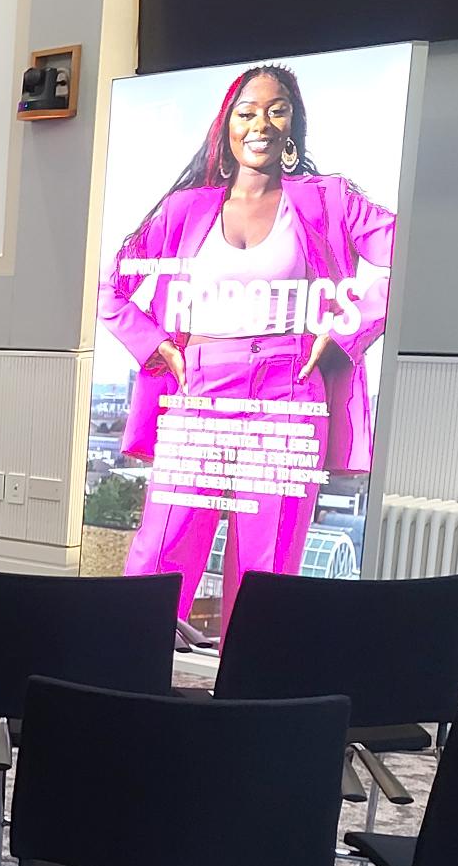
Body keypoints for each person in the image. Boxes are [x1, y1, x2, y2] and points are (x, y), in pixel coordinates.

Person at [98, 63, 394, 626]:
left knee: (266, 569)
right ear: (227, 125)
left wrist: (346, 332)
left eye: (276, 108)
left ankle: (248, 701)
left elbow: (411, 249)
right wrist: (154, 343)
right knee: (159, 553)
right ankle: (126, 678)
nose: (261, 121)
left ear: (293, 126)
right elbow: (110, 287)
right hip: (199, 387)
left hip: (287, 390)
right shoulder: (186, 209)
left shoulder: (329, 199)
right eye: (247, 110)